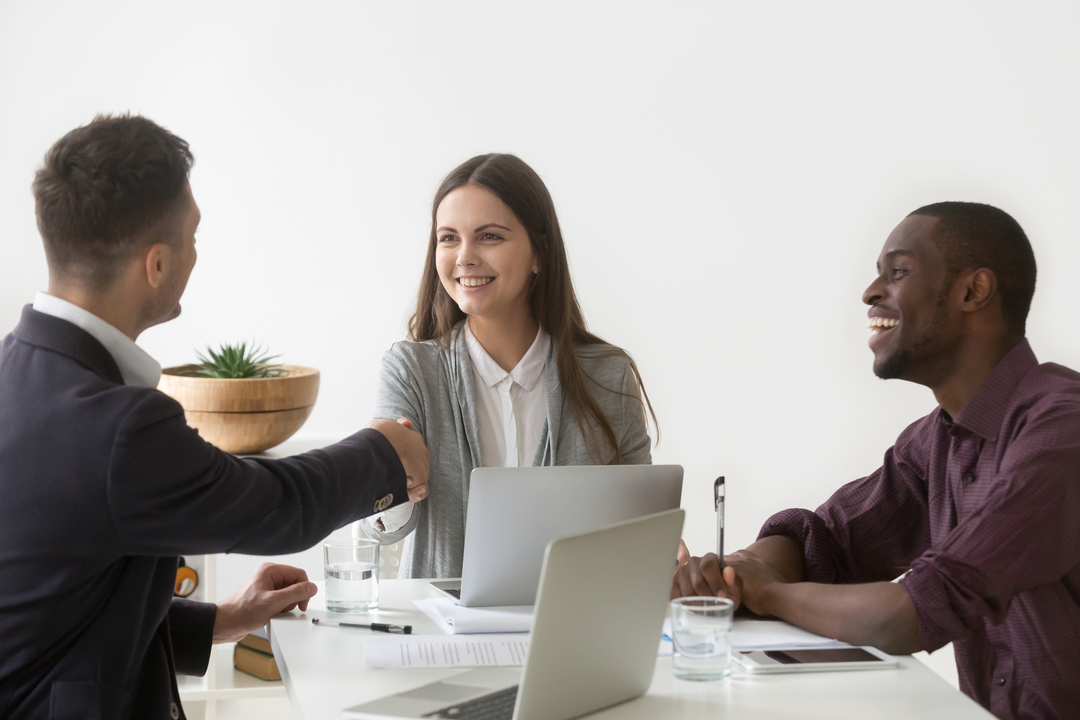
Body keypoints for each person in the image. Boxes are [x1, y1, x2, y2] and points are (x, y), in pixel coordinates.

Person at [0, 114, 430, 720]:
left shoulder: (15, 371)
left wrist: (221, 621)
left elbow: (58, 608)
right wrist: (384, 450)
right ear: (156, 264)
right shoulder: (119, 427)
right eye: (193, 235)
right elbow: (277, 505)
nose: (197, 253)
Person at [673, 202, 1079, 720]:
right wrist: (735, 571)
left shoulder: (1063, 431)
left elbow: (909, 614)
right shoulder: (936, 441)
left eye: (898, 271)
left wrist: (768, 592)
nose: (869, 292)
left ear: (973, 291)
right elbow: (829, 540)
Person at [361, 153, 662, 578]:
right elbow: (384, 530)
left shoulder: (608, 376)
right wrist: (387, 475)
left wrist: (660, 545)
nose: (464, 257)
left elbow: (641, 527)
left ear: (539, 254)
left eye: (489, 237)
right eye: (448, 238)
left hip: (571, 616)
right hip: (445, 621)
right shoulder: (411, 370)